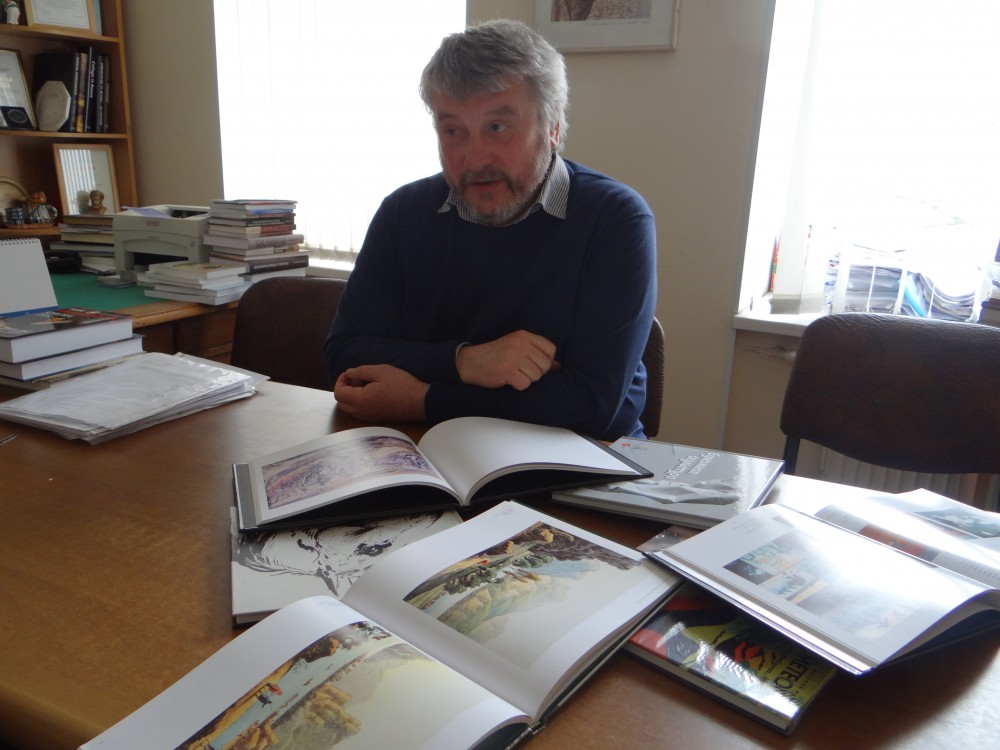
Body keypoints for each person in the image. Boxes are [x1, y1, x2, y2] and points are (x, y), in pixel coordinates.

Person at [324, 19, 656, 441]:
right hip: (426, 451)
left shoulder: (615, 219)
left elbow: (591, 407)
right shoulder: (402, 214)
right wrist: (466, 362)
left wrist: (423, 398)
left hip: (580, 462)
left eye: (497, 127)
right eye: (453, 131)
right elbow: (345, 357)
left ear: (553, 126)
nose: (475, 158)